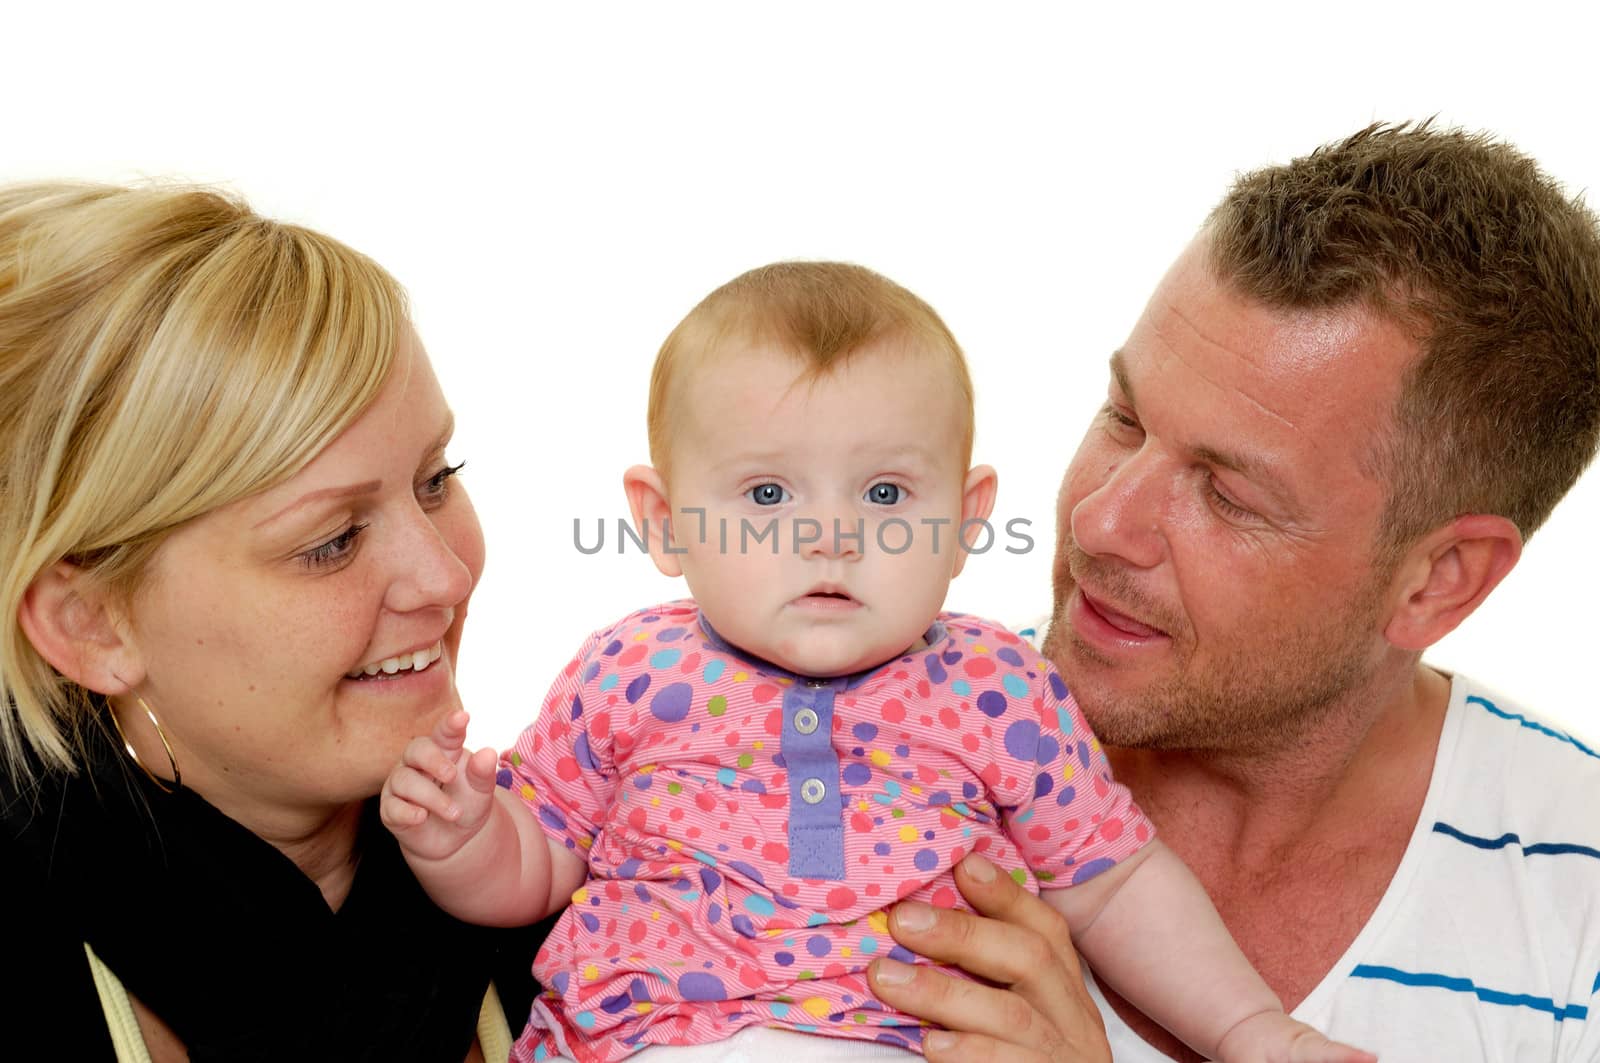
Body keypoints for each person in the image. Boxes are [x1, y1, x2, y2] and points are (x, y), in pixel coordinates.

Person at [382, 263, 1374, 1062]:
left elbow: (1113, 882)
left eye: (887, 496)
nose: (829, 538)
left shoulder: (996, 688)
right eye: (767, 496)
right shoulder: (629, 670)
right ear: (664, 523)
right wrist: (461, 835)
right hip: (649, 1039)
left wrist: (1251, 1030)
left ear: (964, 521)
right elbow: (537, 864)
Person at [862, 122, 1600, 1062]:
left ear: (1435, 583)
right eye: (1124, 418)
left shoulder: (1579, 911)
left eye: (1227, 492)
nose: (1100, 521)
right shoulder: (850, 737)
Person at [0, 180, 549, 1061]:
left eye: (437, 479)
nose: (445, 577)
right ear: (93, 624)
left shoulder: (596, 877)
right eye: (332, 541)